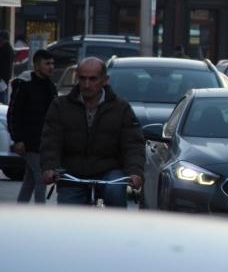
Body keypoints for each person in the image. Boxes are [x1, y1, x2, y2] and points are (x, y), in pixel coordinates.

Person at [40, 57, 145, 206]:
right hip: (72, 172)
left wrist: (135, 172)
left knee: (115, 192)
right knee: (66, 216)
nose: (87, 84)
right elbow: (50, 141)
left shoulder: (121, 108)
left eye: (93, 79)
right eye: (82, 78)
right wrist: (49, 168)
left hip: (109, 171)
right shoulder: (60, 106)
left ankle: (118, 228)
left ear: (105, 80)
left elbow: (133, 144)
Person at [8, 49, 57, 203]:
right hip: (29, 143)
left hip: (43, 142)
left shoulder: (50, 86)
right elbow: (13, 114)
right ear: (36, 65)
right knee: (41, 178)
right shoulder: (25, 85)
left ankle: (19, 213)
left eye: (52, 63)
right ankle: (39, 217)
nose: (51, 67)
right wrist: (17, 139)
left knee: (29, 180)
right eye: (47, 63)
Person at [0, 30, 15, 104]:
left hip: (2, 78)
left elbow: (3, 66)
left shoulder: (4, 50)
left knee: (2, 98)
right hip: (5, 78)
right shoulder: (9, 49)